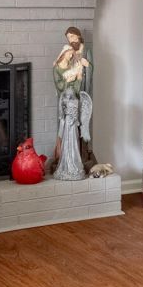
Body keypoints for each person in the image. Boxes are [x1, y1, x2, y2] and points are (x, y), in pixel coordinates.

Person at [52, 26, 94, 181]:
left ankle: (82, 157)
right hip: (69, 95)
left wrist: (87, 66)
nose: (70, 40)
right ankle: (64, 156)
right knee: (66, 126)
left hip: (81, 92)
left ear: (78, 36)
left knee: (82, 125)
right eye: (68, 37)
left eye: (72, 36)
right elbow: (63, 75)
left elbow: (90, 70)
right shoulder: (68, 54)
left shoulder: (86, 51)